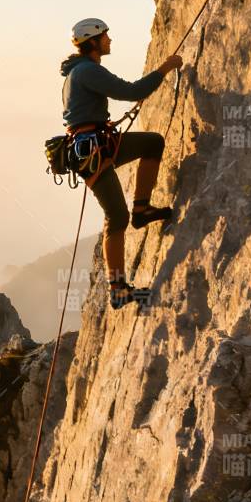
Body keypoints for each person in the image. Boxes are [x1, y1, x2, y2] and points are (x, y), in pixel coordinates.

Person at [59, 18, 182, 310]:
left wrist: (103, 122)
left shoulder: (78, 73)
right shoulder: (88, 71)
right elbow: (132, 91)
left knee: (153, 142)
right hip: (93, 151)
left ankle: (142, 208)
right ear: (93, 42)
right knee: (116, 217)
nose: (109, 41)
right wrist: (166, 67)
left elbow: (82, 113)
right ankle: (117, 289)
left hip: (95, 144)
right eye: (105, 37)